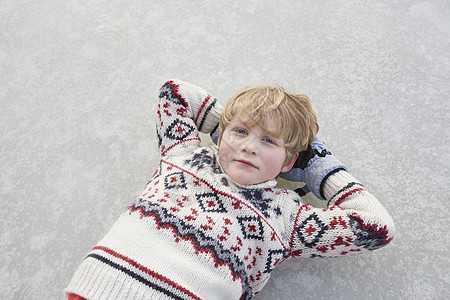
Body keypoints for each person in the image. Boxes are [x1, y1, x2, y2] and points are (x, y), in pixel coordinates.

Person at [65, 80, 395, 300]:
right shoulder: (185, 154)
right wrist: (235, 123)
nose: (249, 147)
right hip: (100, 288)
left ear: (288, 161)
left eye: (268, 141)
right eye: (240, 132)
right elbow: (174, 92)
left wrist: (318, 168)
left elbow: (377, 228)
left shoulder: (287, 218)